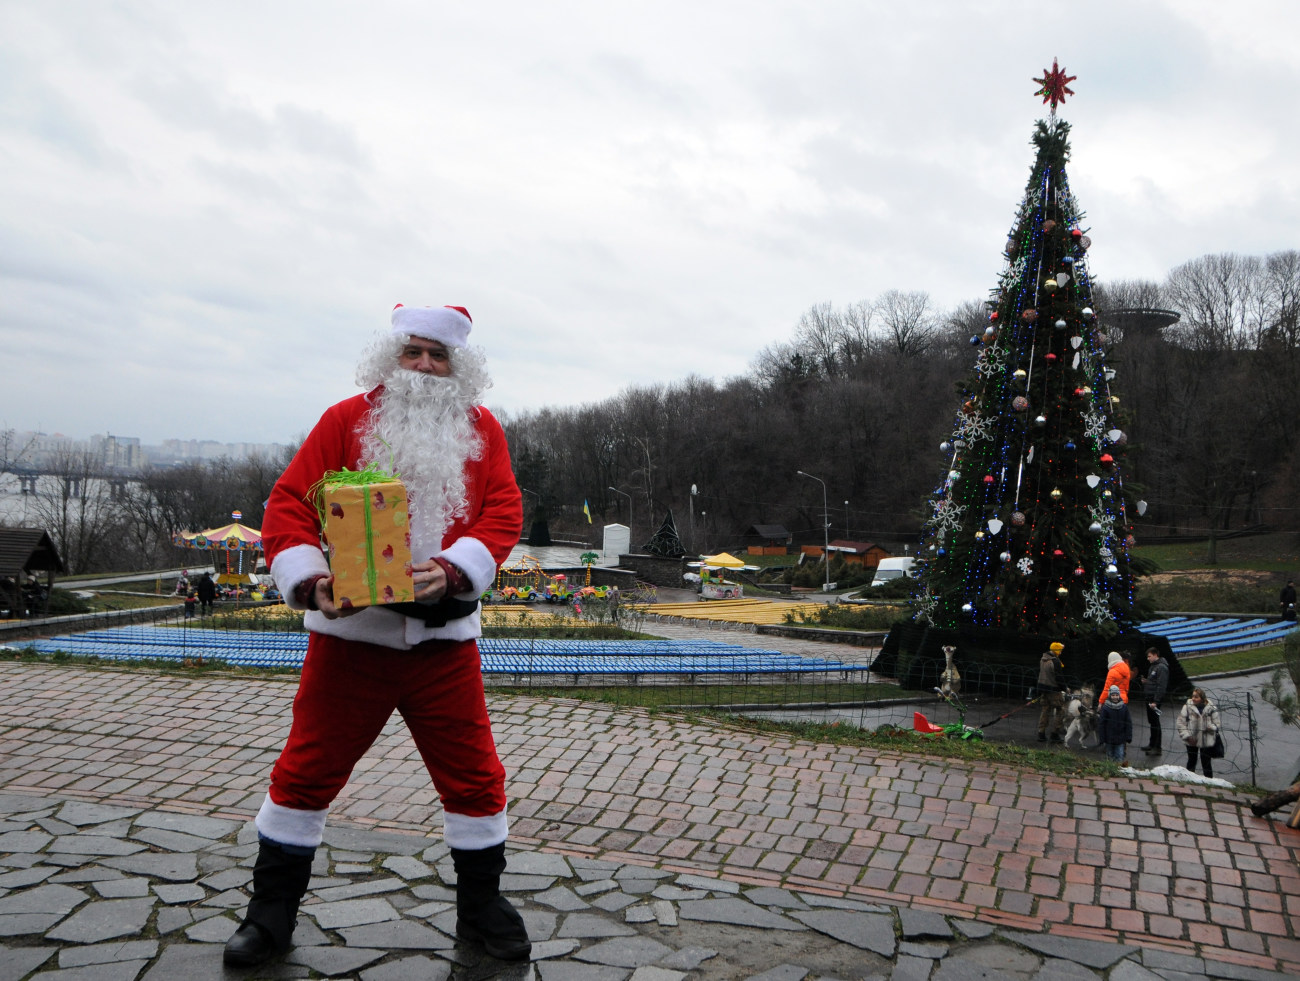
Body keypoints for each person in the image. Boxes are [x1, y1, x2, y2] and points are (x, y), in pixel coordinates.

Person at [223, 304, 527, 968]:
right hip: (351, 639)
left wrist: (454, 570)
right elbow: (288, 505)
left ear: (458, 366)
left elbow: (503, 510)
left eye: (436, 355)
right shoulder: (343, 422)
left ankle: (482, 907)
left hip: (443, 647)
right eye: (411, 351)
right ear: (391, 358)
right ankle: (269, 914)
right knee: (305, 771)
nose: (422, 366)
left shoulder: (484, 433)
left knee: (476, 779)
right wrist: (309, 580)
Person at [1176, 688, 1221, 778]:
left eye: (1196, 697)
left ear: (1202, 698)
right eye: (1192, 696)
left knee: (1206, 762)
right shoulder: (1187, 707)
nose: (1193, 698)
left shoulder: (1211, 708)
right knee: (1191, 760)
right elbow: (1180, 723)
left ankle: (1209, 781)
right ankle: (1188, 779)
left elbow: (1217, 724)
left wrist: (1210, 727)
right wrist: (1187, 736)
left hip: (1206, 739)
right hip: (1191, 739)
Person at [1036, 641, 1066, 743]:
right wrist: (1064, 688)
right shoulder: (1055, 661)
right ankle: (1055, 733)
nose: (1061, 653)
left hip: (1043, 689)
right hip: (1053, 689)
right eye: (1060, 650)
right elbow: (1059, 677)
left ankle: (1041, 732)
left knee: (1045, 710)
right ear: (1056, 650)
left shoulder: (1043, 659)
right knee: (1060, 710)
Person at [1141, 647, 1169, 756]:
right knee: (1152, 722)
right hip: (1149, 697)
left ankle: (1157, 747)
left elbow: (1161, 685)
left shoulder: (1161, 667)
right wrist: (1146, 682)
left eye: (1149, 656)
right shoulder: (1153, 666)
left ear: (1155, 655)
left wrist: (1156, 701)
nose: (1148, 659)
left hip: (1154, 699)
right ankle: (1152, 744)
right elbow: (1153, 681)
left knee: (1155, 722)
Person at [1096, 684, 1132, 763]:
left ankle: (1118, 772)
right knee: (1109, 757)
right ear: (1109, 696)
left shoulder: (1124, 708)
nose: (1115, 697)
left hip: (1120, 739)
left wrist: (1128, 736)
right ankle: (1110, 770)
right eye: (1113, 695)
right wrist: (1102, 738)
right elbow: (1102, 724)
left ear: (1119, 695)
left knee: (1119, 756)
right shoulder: (1106, 708)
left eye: (1116, 695)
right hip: (1109, 738)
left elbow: (1128, 723)